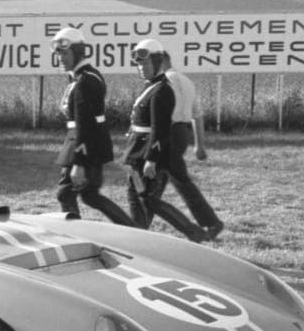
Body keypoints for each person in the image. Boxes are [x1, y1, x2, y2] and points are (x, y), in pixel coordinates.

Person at [122, 39, 206, 240]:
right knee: (144, 198)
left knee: (142, 198)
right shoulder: (151, 86)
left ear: (158, 62)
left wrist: (152, 159)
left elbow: (160, 128)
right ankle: (142, 235)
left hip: (145, 154)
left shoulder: (162, 89)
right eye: (139, 64)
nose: (141, 68)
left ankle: (141, 237)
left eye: (145, 63)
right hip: (137, 150)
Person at [49, 27, 134, 225]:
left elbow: (85, 123)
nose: (60, 58)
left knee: (66, 194)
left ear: (78, 52)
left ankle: (76, 234)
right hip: (84, 140)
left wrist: (79, 163)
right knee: (89, 195)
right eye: (58, 54)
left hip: (84, 142)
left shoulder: (85, 80)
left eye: (65, 53)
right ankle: (132, 228)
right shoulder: (82, 76)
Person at [160, 48, 225, 240]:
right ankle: (140, 223)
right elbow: (197, 115)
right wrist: (199, 144)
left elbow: (161, 113)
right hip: (182, 132)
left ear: (160, 61)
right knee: (164, 180)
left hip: (167, 132)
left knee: (175, 181)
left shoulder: (164, 81)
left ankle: (210, 222)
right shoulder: (186, 81)